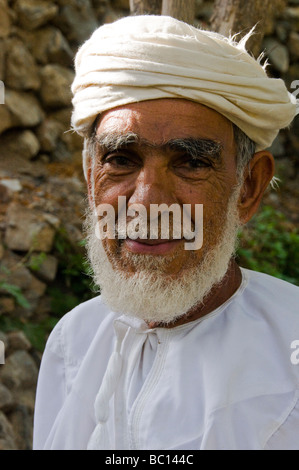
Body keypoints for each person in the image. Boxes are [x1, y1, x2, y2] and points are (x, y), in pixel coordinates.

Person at [33, 15, 299, 450]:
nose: (147, 201)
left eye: (191, 162)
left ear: (248, 188)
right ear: (88, 175)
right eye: (121, 159)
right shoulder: (73, 339)